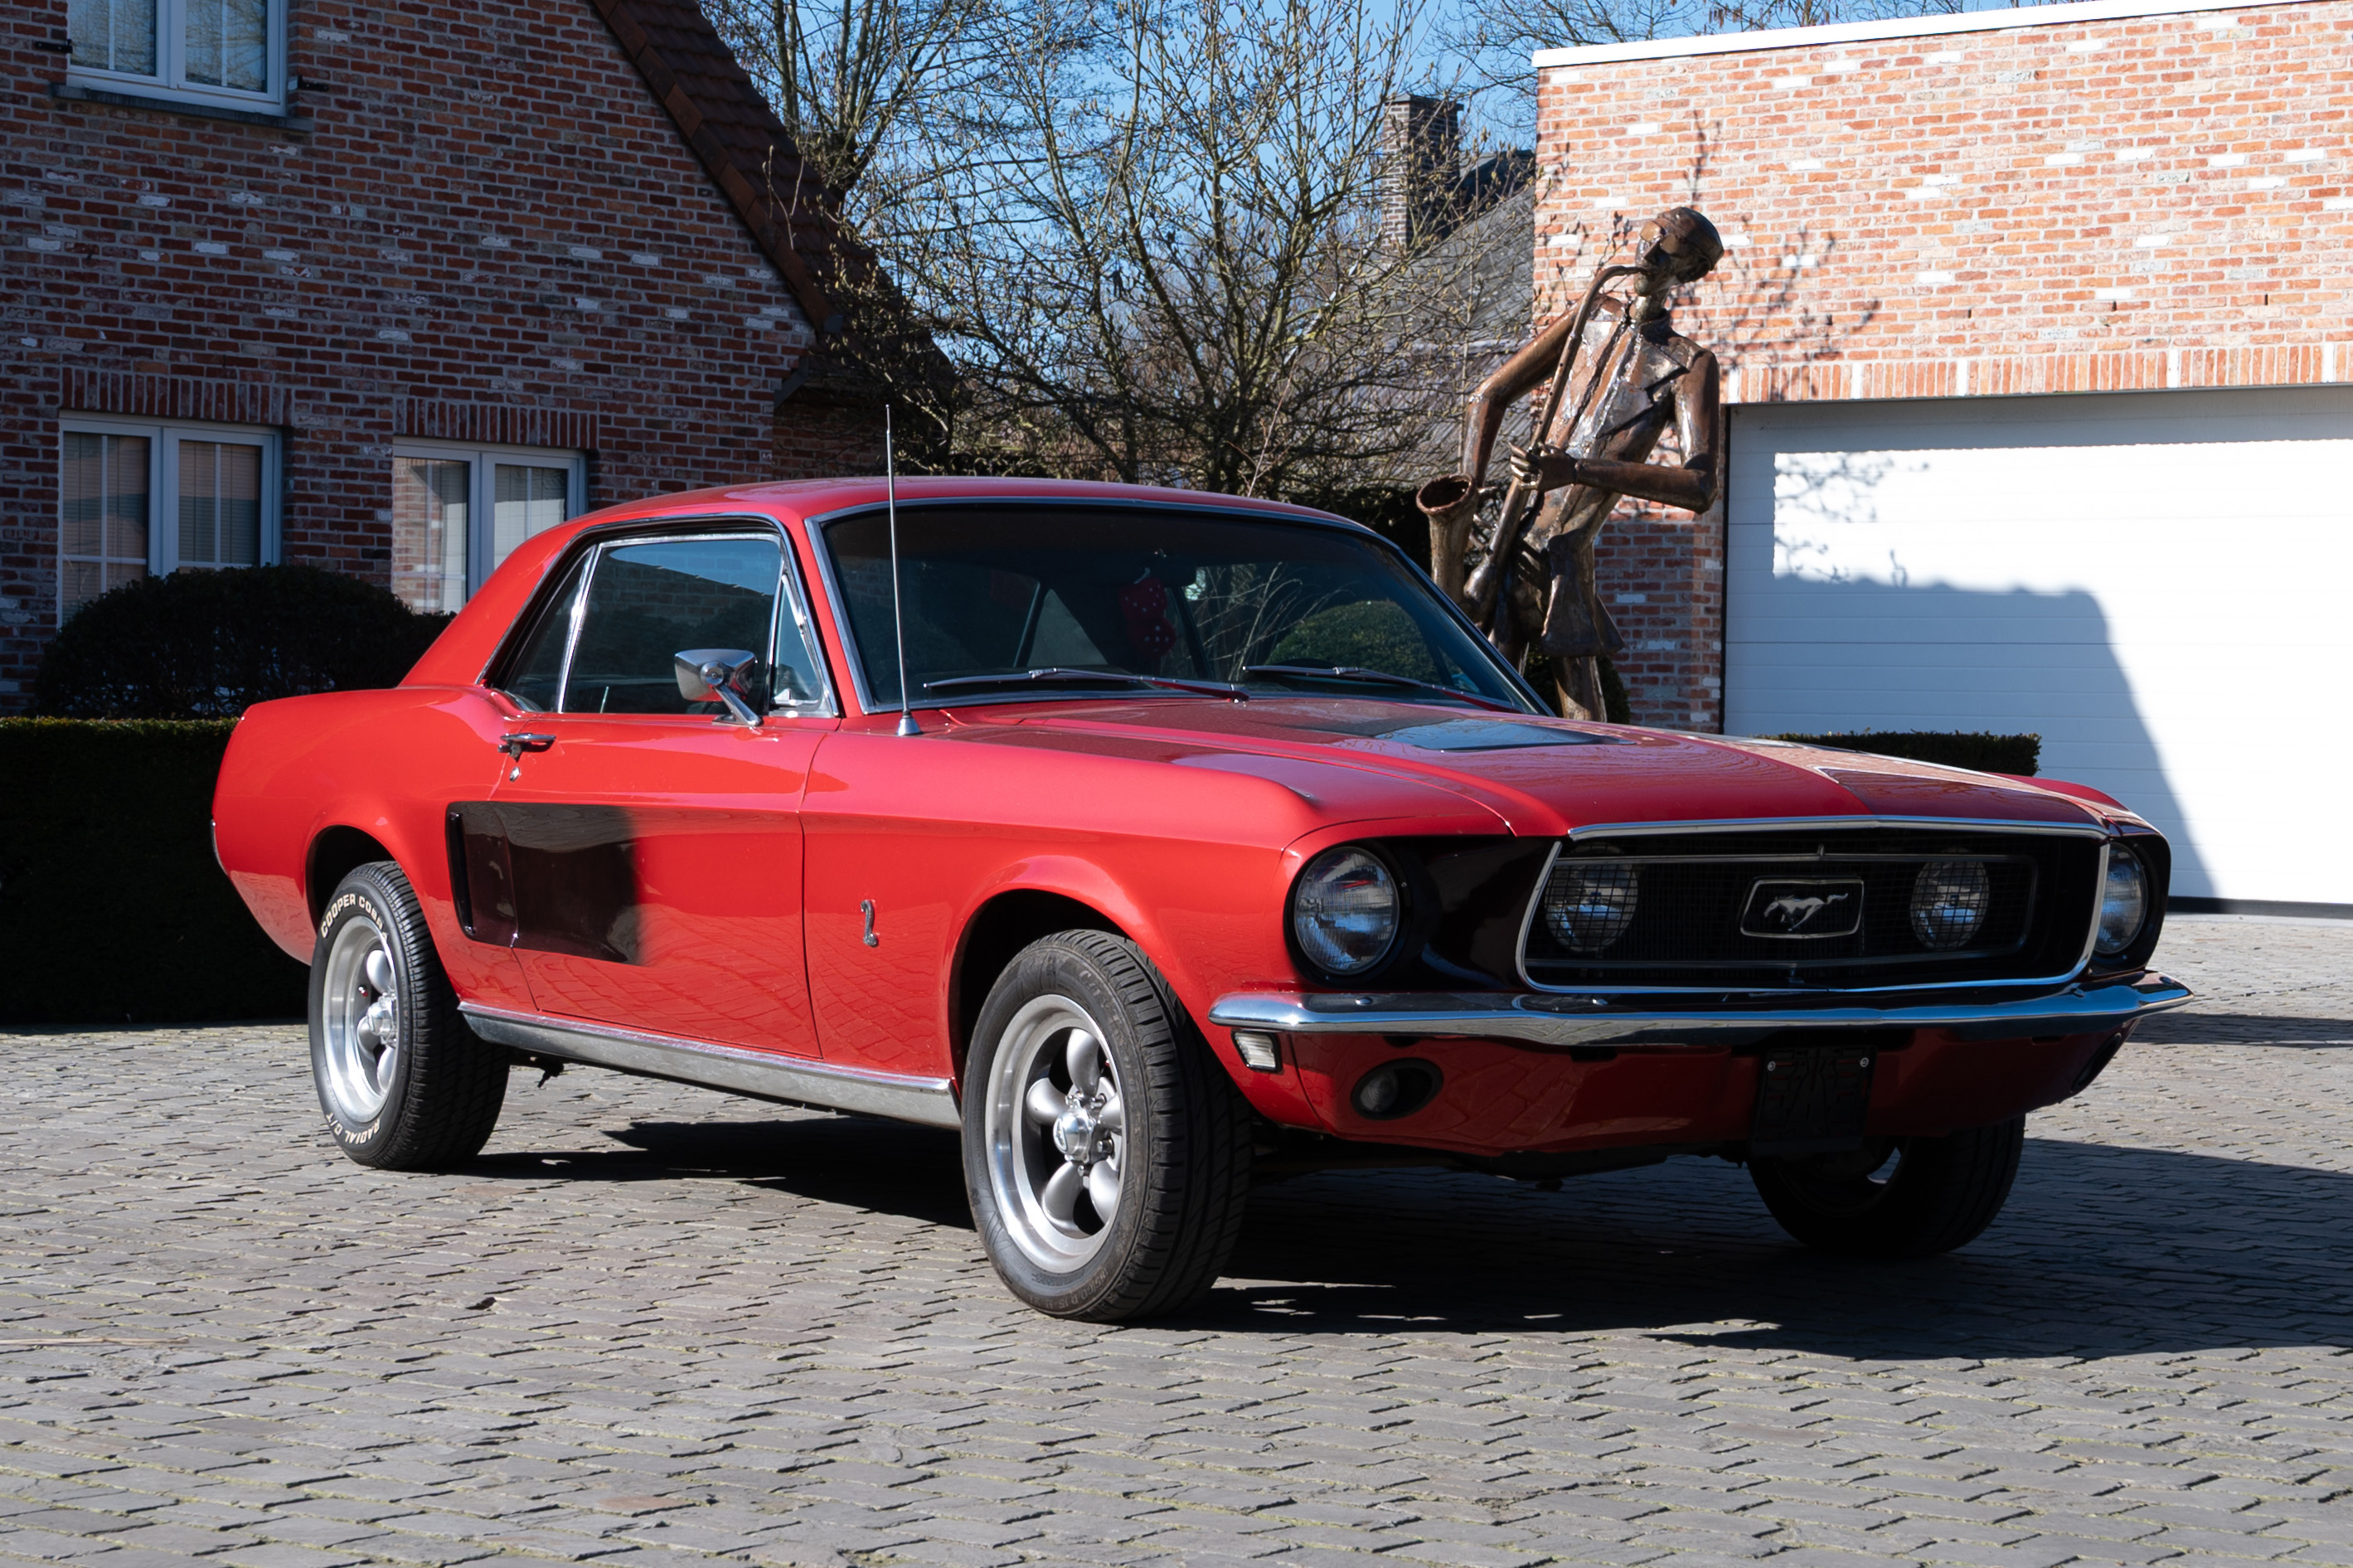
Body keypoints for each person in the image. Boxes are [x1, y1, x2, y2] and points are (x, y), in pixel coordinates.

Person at [1417, 206, 1725, 721]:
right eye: (1645, 239)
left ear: (1689, 271)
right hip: (1510, 536)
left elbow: (1699, 487)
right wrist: (1467, 491)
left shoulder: (1690, 365)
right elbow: (1487, 396)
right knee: (1486, 707)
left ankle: (1601, 790)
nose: (1645, 254)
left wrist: (1578, 471)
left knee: (1581, 711)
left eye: (1665, 248)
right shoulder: (1591, 314)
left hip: (1564, 557)